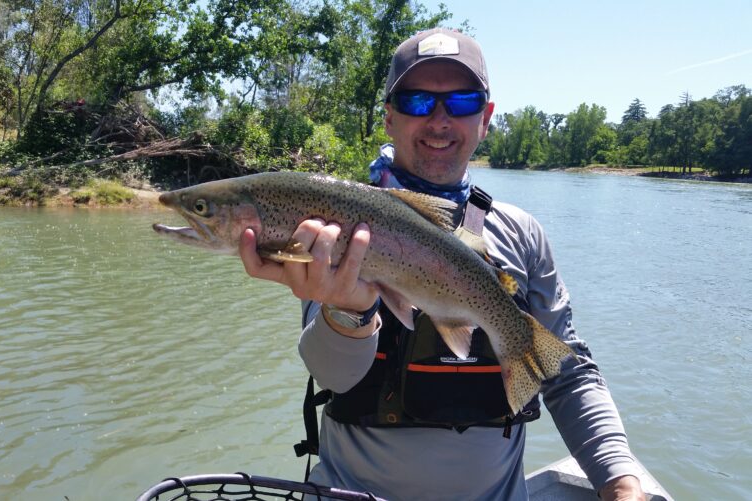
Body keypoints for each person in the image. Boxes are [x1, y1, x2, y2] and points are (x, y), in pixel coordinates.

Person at [239, 27, 645, 500]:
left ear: (486, 118)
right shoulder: (336, 219)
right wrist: (348, 312)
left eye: (461, 101)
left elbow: (567, 374)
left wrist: (621, 481)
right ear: (388, 117)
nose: (438, 120)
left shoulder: (521, 233)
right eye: (415, 101)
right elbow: (332, 376)